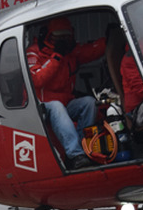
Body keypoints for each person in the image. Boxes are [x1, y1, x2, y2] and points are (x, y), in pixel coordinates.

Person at [26, 17, 106, 169]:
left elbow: (92, 51)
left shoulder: (71, 52)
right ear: (48, 35)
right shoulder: (34, 52)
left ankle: (86, 149)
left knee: (88, 103)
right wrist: (56, 56)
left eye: (66, 36)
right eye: (58, 36)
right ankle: (75, 155)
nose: (62, 40)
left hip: (65, 104)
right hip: (41, 106)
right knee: (56, 106)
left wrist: (111, 38)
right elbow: (37, 80)